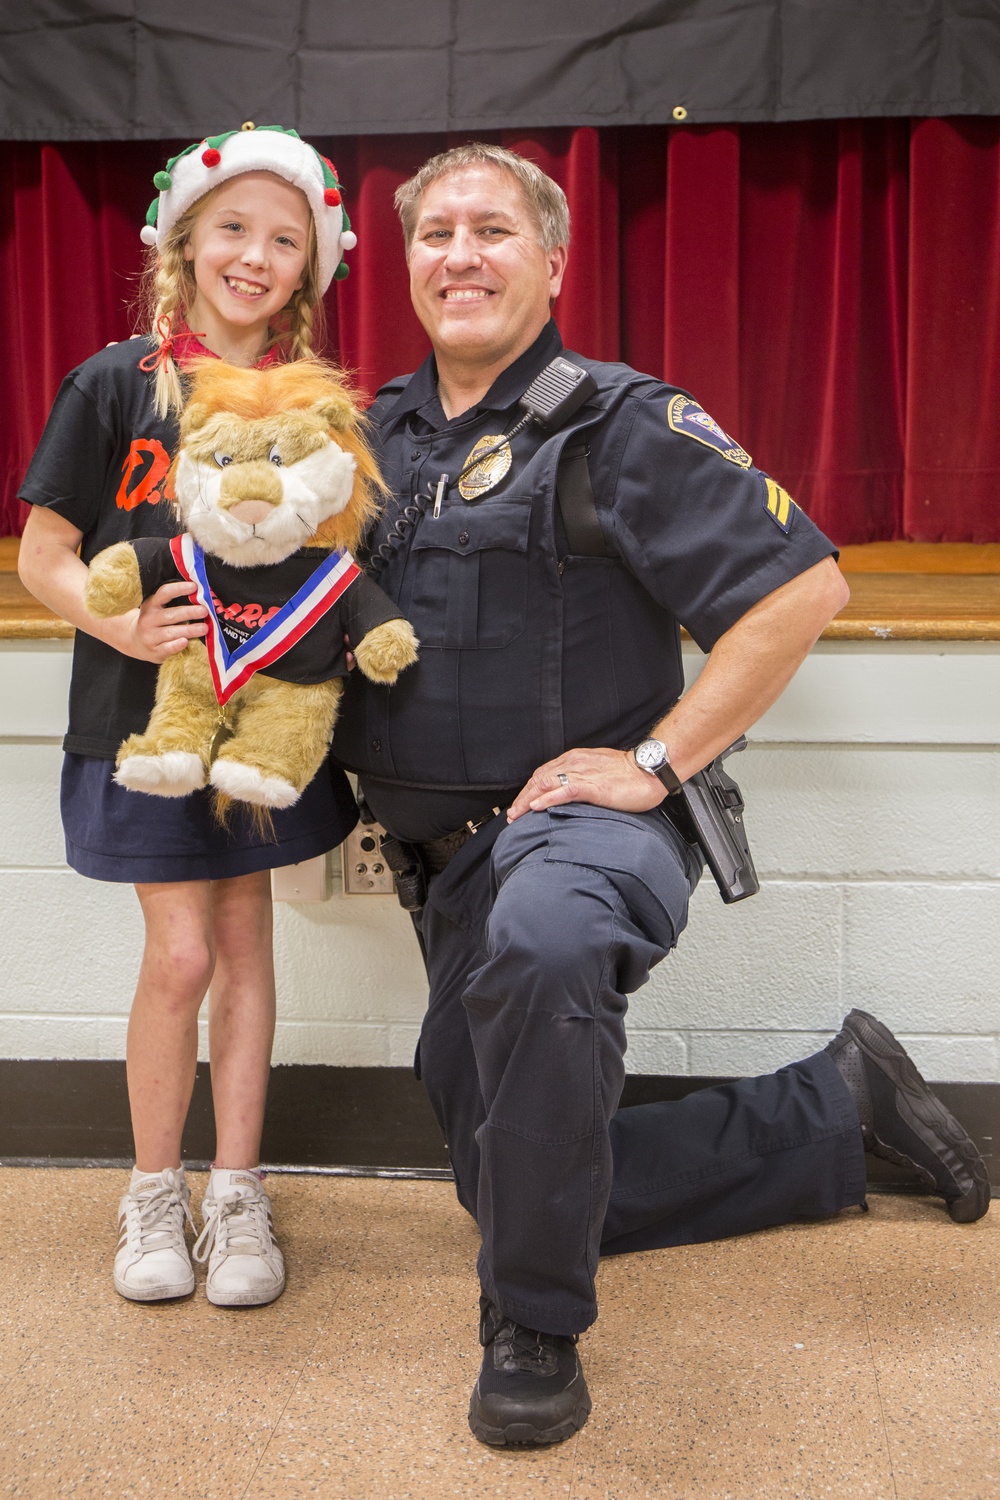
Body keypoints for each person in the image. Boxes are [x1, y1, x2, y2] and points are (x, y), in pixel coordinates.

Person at [332, 143, 991, 1446]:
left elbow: (804, 591)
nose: (461, 254)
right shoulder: (366, 441)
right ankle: (835, 1107)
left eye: (494, 230)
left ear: (555, 261)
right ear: (406, 266)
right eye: (436, 234)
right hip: (443, 861)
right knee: (508, 1171)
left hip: (589, 832)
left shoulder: (619, 417)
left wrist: (653, 761)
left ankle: (533, 1326)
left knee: (551, 943)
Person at [18, 125, 364, 1307]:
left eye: (283, 239)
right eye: (233, 230)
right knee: (180, 954)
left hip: (267, 725)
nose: (254, 257)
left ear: (310, 269)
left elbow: (340, 558)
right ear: (184, 241)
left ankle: (237, 1190)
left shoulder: (312, 402)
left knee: (247, 949)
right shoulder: (114, 380)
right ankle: (152, 1188)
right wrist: (113, 623)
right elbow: (44, 555)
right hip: (145, 721)